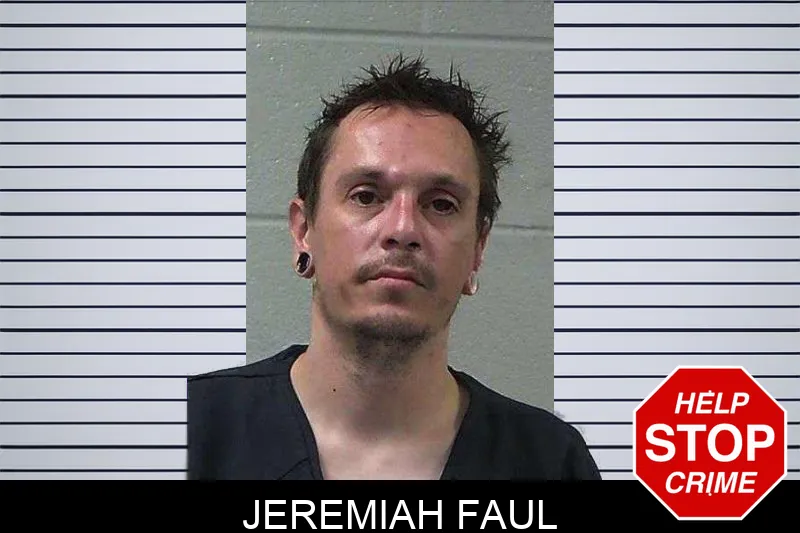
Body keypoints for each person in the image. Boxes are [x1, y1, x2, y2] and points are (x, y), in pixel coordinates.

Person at [187, 53, 601, 480]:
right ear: (304, 230)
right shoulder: (190, 434)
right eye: (366, 196)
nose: (403, 229)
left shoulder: (550, 462)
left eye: (441, 204)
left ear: (478, 247)